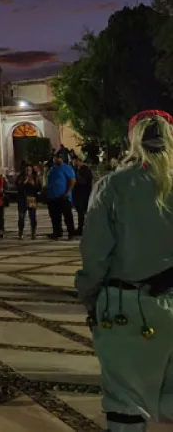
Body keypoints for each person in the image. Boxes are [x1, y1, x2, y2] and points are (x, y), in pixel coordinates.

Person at [76, 110, 173, 432]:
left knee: (125, 403)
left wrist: (89, 294)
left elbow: (95, 254)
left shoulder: (114, 186)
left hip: (128, 308)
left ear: (132, 139)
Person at [46, 153, 76, 240]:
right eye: (55, 158)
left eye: (58, 158)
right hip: (52, 197)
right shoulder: (52, 169)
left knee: (67, 216)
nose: (56, 160)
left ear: (62, 159)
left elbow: (72, 180)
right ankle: (57, 232)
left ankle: (71, 233)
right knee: (55, 216)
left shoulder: (66, 168)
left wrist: (67, 192)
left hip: (63, 196)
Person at [16, 164, 40, 240]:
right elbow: (17, 187)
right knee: (21, 217)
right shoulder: (21, 177)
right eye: (26, 170)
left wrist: (33, 184)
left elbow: (39, 188)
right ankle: (20, 232)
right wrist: (24, 182)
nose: (28, 171)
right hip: (22, 199)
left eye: (29, 170)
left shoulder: (35, 177)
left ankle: (33, 233)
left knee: (32, 217)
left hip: (31, 199)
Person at [73, 155, 94, 236]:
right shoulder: (76, 169)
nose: (74, 162)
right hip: (78, 193)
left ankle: (81, 229)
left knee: (82, 212)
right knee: (80, 212)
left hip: (84, 193)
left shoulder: (85, 170)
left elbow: (85, 182)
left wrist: (77, 176)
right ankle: (81, 228)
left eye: (75, 160)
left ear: (79, 161)